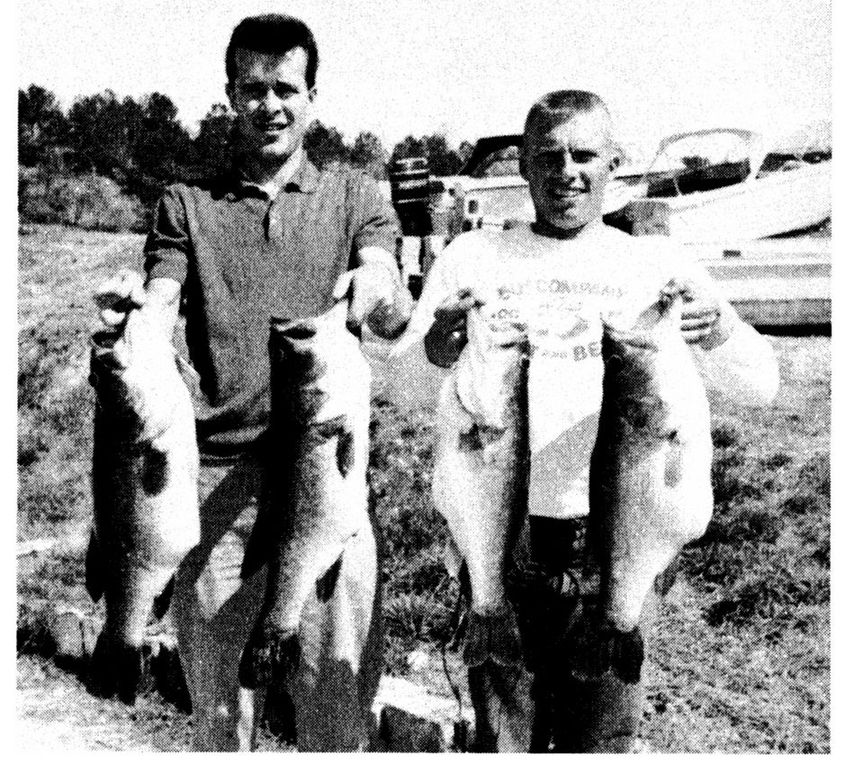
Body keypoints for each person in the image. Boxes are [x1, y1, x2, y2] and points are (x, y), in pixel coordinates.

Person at [392, 90, 779, 752]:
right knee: (501, 745)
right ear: (523, 165)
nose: (565, 172)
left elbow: (761, 386)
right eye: (547, 157)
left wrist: (721, 329)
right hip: (497, 542)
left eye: (583, 155)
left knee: (598, 744)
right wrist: (431, 349)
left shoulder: (654, 264)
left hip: (611, 542)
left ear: (614, 164)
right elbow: (400, 388)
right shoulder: (472, 258)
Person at [94, 14, 411, 751]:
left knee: (337, 705)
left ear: (313, 97)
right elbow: (163, 294)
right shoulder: (185, 202)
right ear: (229, 96)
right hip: (211, 487)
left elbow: (387, 290)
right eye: (251, 89)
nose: (269, 105)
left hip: (326, 486)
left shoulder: (354, 194)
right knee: (220, 715)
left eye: (285, 89)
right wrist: (134, 314)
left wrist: (378, 280)